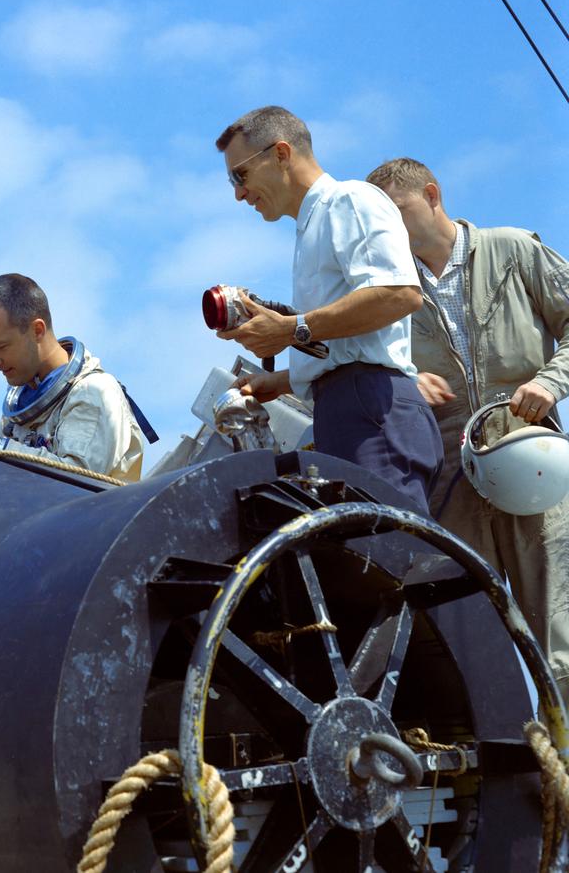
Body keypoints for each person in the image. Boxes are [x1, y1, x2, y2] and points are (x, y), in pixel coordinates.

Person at [367, 155, 569, 694]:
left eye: (398, 211)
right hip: (450, 478)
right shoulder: (388, 291)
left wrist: (550, 382)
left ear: (432, 195)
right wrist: (404, 385)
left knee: (561, 636)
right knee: (466, 647)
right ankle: (518, 773)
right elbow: (365, 370)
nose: (390, 228)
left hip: (531, 460)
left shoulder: (513, 250)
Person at [214, 105, 442, 512]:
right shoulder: (314, 224)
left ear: (281, 154)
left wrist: (289, 329)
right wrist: (283, 380)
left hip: (370, 408)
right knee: (367, 564)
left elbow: (399, 294)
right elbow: (354, 340)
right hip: (349, 408)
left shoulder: (349, 200)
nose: (238, 192)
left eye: (240, 175)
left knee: (390, 560)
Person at [0, 273, 147, 482]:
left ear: (37, 330)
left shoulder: (94, 393)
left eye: (0, 346)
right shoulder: (21, 409)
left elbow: (76, 482)